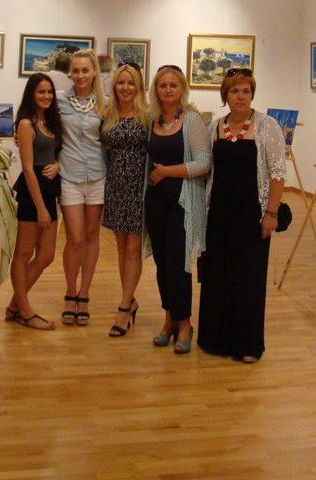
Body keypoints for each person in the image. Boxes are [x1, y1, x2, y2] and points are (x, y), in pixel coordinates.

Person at [198, 68, 286, 364]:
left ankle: (247, 343)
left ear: (252, 94)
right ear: (225, 95)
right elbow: (206, 169)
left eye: (245, 91)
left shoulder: (267, 126)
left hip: (251, 214)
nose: (240, 96)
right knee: (218, 275)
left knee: (249, 278)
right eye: (234, 91)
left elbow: (277, 173)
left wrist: (271, 213)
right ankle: (215, 339)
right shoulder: (215, 126)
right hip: (218, 213)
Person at [145, 64, 210, 354]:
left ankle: (185, 324)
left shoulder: (191, 120)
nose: (168, 90)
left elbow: (203, 164)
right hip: (156, 202)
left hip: (183, 202)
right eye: (163, 85)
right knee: (162, 263)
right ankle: (169, 319)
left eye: (173, 85)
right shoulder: (152, 120)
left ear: (182, 88)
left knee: (179, 263)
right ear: (156, 90)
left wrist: (167, 172)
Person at [6, 73, 62, 330]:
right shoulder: (26, 124)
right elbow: (28, 168)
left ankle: (15, 305)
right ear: (31, 94)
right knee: (24, 253)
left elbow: (55, 152)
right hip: (33, 193)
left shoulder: (50, 121)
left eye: (49, 91)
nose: (46, 96)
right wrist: (40, 208)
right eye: (41, 91)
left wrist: (57, 164)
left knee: (47, 255)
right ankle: (25, 311)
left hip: (50, 190)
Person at [101, 63, 150, 337]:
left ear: (139, 86)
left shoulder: (147, 115)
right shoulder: (107, 114)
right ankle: (129, 300)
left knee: (133, 249)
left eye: (131, 83)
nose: (125, 87)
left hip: (138, 189)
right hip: (115, 188)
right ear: (114, 86)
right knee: (121, 249)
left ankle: (123, 307)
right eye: (121, 82)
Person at [57, 49, 105, 327]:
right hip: (69, 175)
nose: (80, 75)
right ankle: (70, 290)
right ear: (69, 73)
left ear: (94, 71)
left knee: (91, 235)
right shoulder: (60, 100)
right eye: (75, 70)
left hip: (98, 176)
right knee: (74, 238)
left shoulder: (105, 103)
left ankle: (84, 293)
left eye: (85, 70)